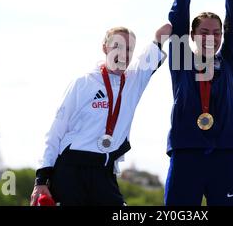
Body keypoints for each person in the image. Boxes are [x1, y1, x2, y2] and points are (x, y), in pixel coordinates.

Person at [30, 24, 171, 206]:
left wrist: (161, 37)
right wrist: (41, 179)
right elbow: (55, 131)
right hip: (71, 170)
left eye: (128, 49)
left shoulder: (133, 81)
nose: (123, 53)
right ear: (105, 48)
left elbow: (151, 53)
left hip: (104, 171)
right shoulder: (83, 83)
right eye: (117, 46)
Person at [164, 0, 233, 206]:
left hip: (225, 151)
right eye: (204, 32)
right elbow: (178, 15)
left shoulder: (228, 60)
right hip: (186, 149)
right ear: (191, 35)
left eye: (216, 32)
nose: (211, 37)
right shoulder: (180, 58)